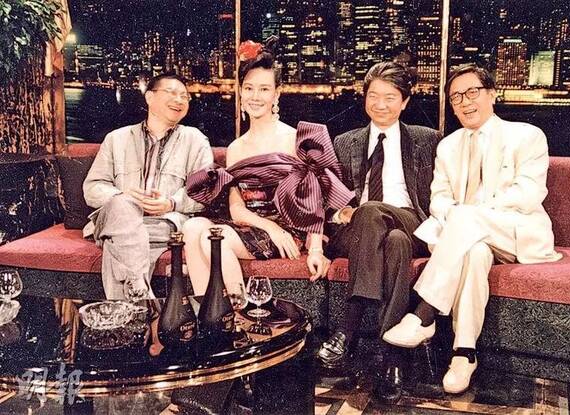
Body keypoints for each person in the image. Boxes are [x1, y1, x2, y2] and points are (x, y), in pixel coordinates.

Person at [383, 63, 562, 394]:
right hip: (465, 239)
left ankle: (423, 314)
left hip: (515, 233)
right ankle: (464, 354)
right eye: (456, 97)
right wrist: (462, 220)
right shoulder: (448, 146)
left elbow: (528, 194)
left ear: (492, 94)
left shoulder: (526, 135)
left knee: (466, 221)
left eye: (472, 92)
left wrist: (469, 216)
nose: (464, 102)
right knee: (475, 252)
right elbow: (439, 200)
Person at [182, 37, 353, 296]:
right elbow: (237, 209)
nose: (255, 97)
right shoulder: (236, 147)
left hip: (289, 230)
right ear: (241, 91)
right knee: (192, 228)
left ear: (277, 93)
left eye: (264, 89)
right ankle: (210, 313)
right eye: (249, 88)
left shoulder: (296, 138)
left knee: (211, 239)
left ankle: (236, 313)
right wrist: (269, 228)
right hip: (256, 226)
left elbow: (315, 199)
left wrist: (316, 249)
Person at [316, 61, 440, 402]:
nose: (380, 104)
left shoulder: (427, 139)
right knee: (393, 242)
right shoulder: (344, 142)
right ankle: (392, 356)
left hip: (412, 221)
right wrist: (339, 212)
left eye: (390, 97)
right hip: (357, 230)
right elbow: (325, 197)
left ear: (405, 101)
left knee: (377, 214)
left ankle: (348, 329)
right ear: (364, 98)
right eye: (373, 96)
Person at [83, 73, 213, 300]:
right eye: (172, 93)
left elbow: (204, 191)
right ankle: (140, 297)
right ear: (149, 97)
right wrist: (125, 197)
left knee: (117, 242)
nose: (179, 100)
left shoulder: (195, 140)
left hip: (163, 224)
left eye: (184, 96)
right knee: (123, 209)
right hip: (118, 218)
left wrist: (170, 203)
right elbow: (92, 188)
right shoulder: (117, 139)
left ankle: (136, 304)